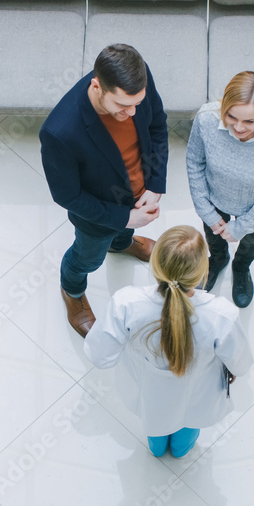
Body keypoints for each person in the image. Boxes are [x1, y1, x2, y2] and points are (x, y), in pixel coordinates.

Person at [84, 225, 252, 458]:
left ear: (156, 264)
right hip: (198, 394)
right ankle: (181, 452)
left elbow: (100, 356)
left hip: (150, 395)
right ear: (202, 271)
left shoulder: (126, 303)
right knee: (187, 430)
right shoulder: (222, 314)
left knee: (155, 430)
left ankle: (157, 450)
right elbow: (241, 364)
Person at [41, 43, 169, 338]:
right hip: (98, 216)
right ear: (97, 87)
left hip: (137, 192)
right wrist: (124, 218)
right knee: (87, 258)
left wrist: (155, 183)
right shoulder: (59, 132)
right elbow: (67, 196)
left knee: (121, 233)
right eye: (123, 107)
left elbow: (157, 126)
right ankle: (72, 291)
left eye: (137, 103)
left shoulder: (137, 84)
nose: (133, 111)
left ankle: (122, 243)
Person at [186, 71, 254, 308]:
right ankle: (217, 262)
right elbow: (195, 162)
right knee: (213, 239)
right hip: (214, 200)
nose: (238, 127)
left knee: (251, 242)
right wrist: (206, 211)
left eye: (249, 121)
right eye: (231, 116)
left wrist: (241, 227)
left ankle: (241, 268)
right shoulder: (206, 119)